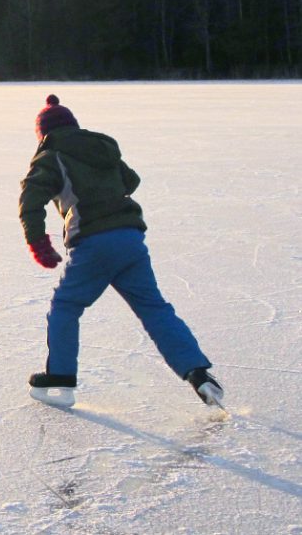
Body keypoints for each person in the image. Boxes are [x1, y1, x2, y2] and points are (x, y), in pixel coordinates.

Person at [18, 94, 223, 407]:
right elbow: (131, 180)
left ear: (43, 133)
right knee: (154, 308)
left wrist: (38, 242)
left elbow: (30, 200)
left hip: (95, 242)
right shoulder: (101, 148)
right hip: (129, 238)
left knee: (66, 305)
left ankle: (60, 375)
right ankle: (198, 373)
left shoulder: (51, 156)